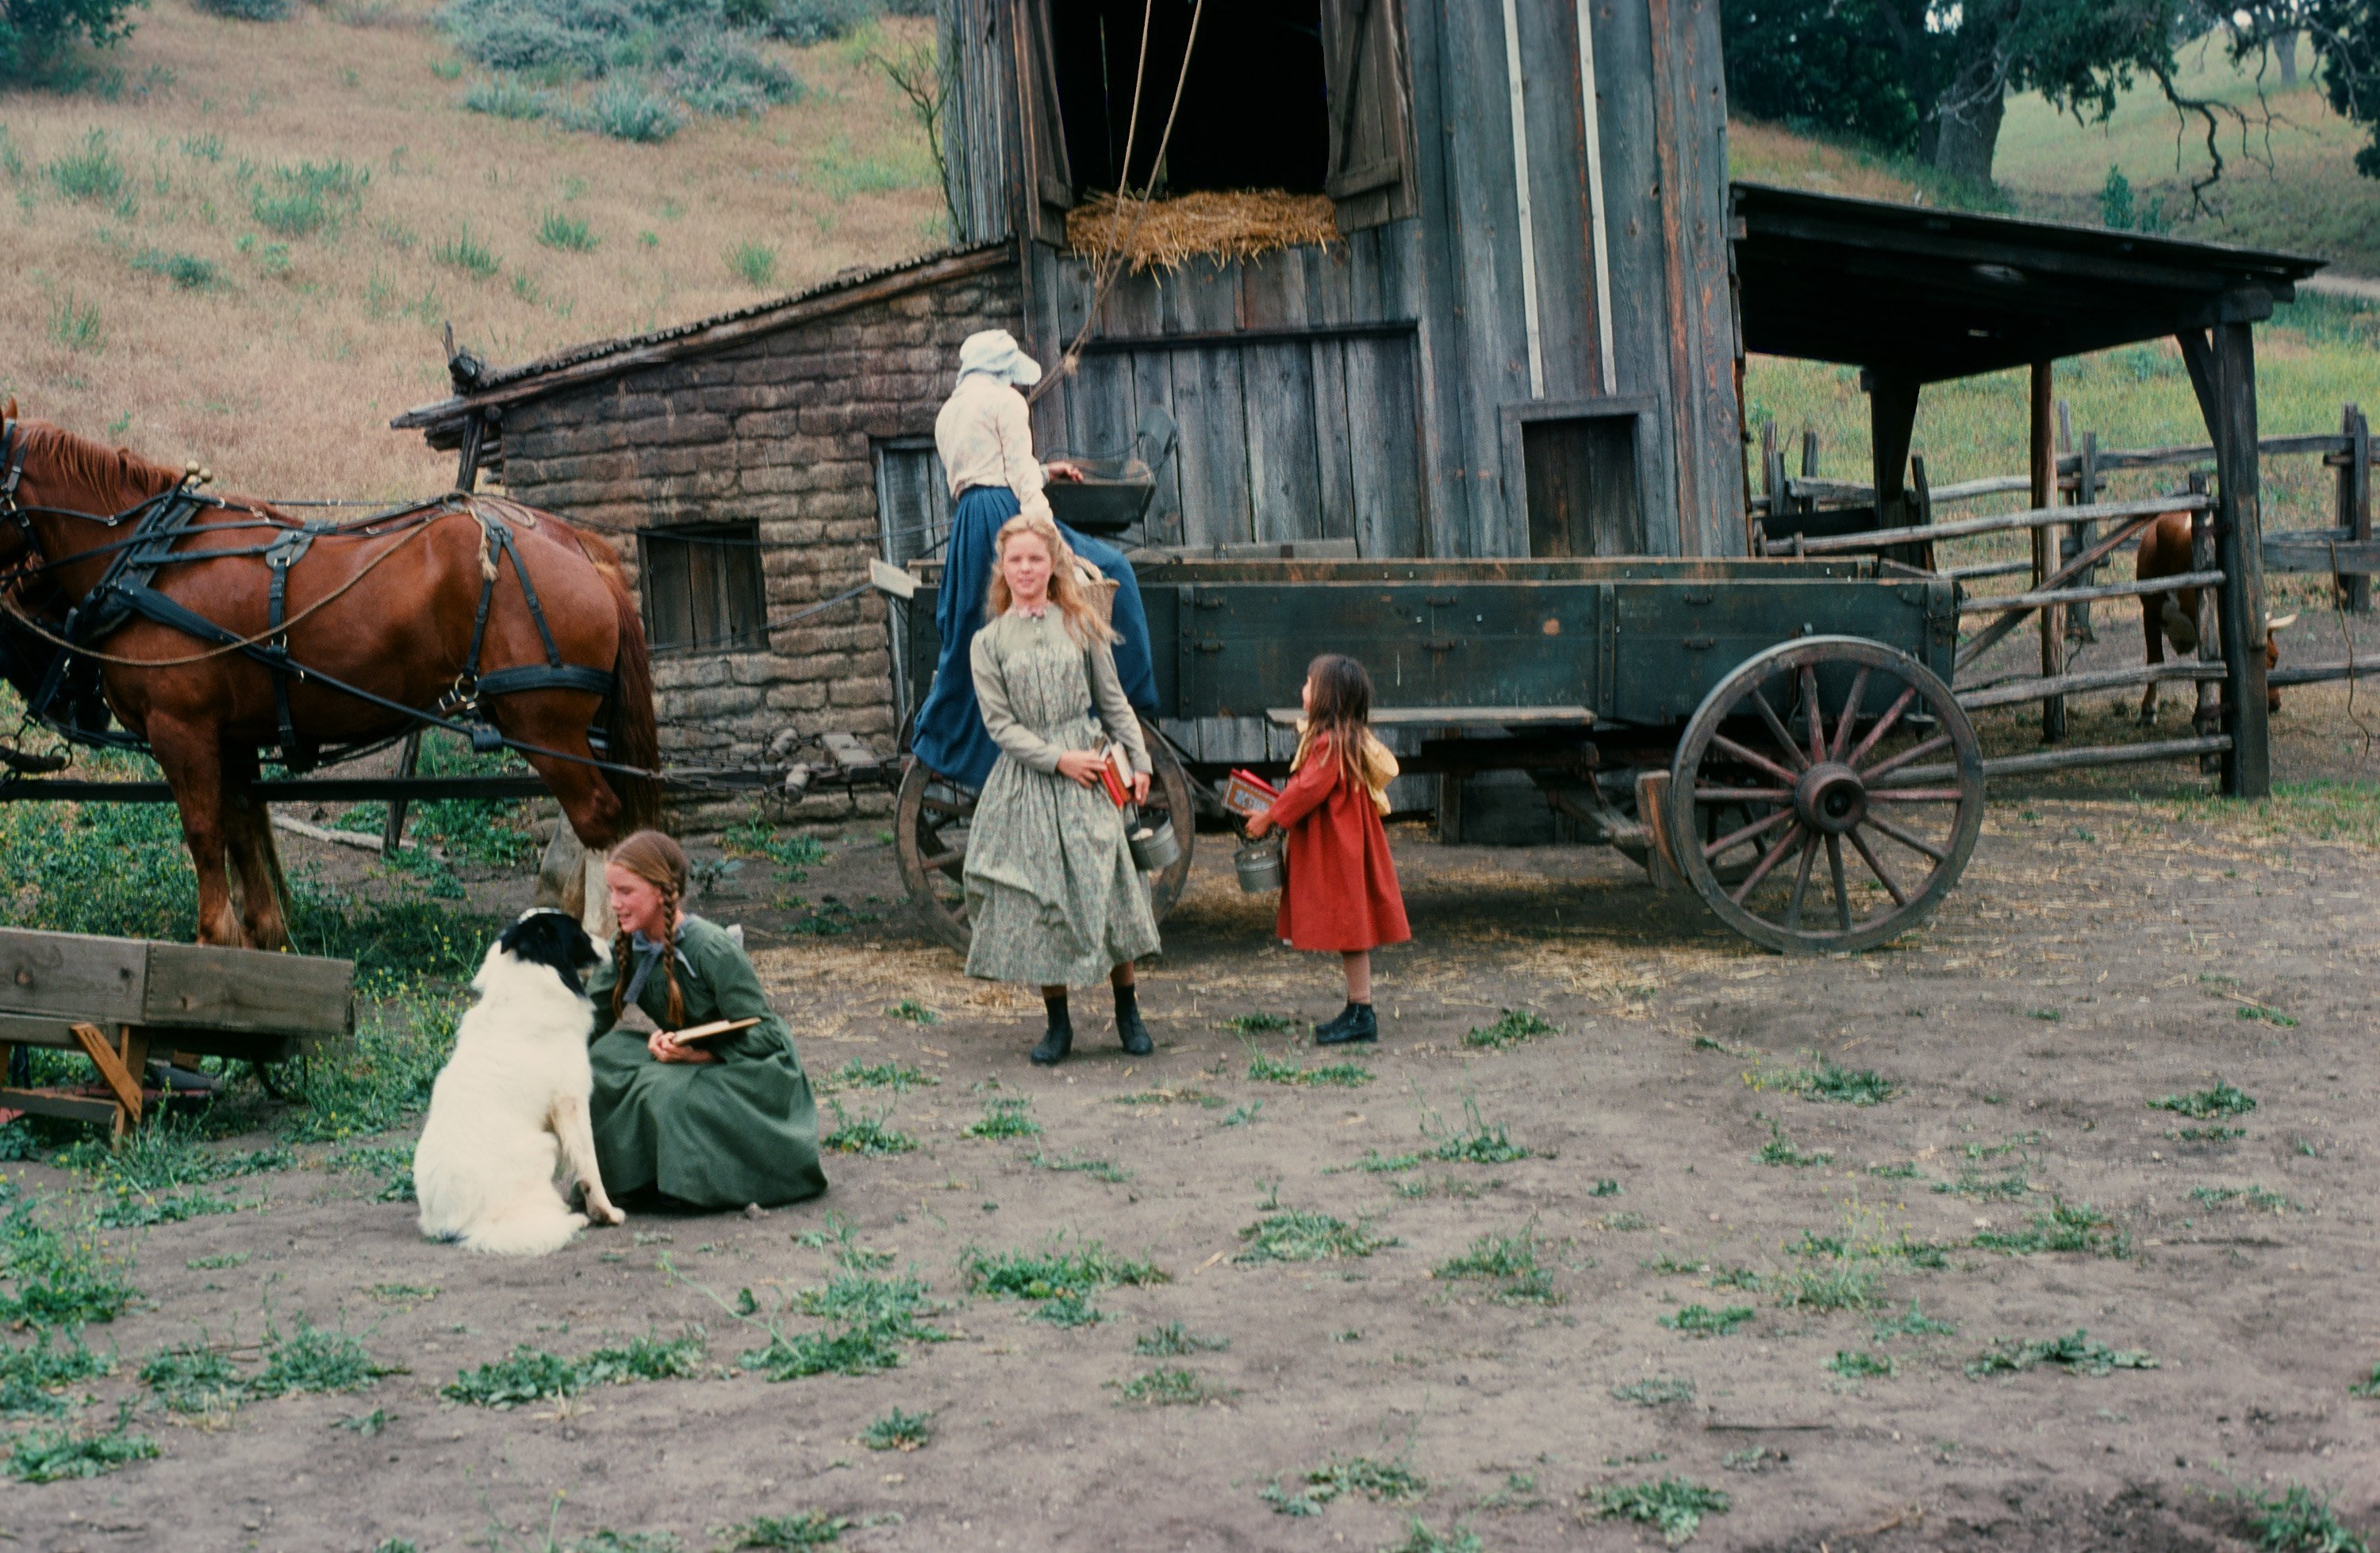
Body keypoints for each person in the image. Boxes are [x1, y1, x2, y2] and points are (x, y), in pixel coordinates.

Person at [910, 328, 1159, 792]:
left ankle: (959, 737)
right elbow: (1019, 479)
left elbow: (984, 471)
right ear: (1004, 371)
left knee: (973, 623)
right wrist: (1050, 538)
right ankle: (1124, 696)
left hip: (970, 523)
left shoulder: (948, 414)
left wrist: (1049, 470)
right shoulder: (1007, 403)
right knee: (1116, 568)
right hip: (1008, 515)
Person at [962, 510, 1161, 1065]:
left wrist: (1139, 761)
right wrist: (1057, 760)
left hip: (1092, 772)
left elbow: (1113, 699)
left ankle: (1129, 1012)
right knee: (1045, 896)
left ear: (1053, 566)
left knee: (1110, 886)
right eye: (1016, 559)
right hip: (1032, 778)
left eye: (1036, 558)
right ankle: (1058, 1025)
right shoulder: (989, 642)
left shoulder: (1081, 623)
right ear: (1002, 567)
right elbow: (1000, 727)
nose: (1025, 568)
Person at [585, 829, 827, 1210]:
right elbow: (586, 1020)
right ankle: (634, 1179)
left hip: (750, 1065)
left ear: (662, 892)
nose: (614, 903)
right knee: (599, 1065)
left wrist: (697, 1054)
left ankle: (692, 1188)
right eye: (611, 891)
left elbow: (764, 1036)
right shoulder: (628, 946)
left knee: (668, 1093)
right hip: (685, 1055)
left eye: (626, 892)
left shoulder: (711, 948)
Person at [1244, 654, 1411, 1045]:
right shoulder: (1337, 740)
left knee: (1352, 931)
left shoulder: (1329, 743)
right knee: (1351, 931)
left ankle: (1362, 1012)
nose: (1303, 689)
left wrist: (1270, 817)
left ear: (1327, 697)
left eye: (1308, 682)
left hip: (1340, 852)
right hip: (1342, 847)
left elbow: (1306, 790)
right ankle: (1358, 1009)